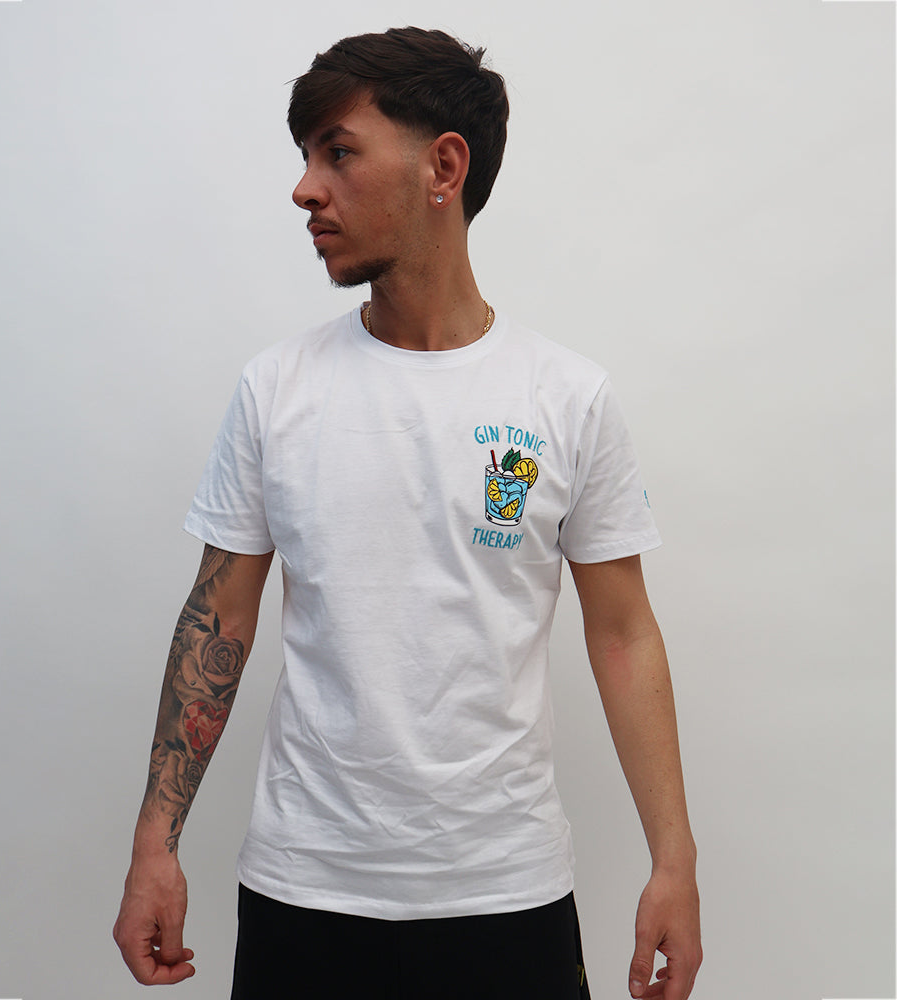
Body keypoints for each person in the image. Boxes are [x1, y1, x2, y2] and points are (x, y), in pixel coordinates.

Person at [113, 26, 701, 1000]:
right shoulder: (277, 390)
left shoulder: (566, 398)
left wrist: (673, 860)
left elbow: (623, 633)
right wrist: (153, 846)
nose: (305, 189)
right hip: (305, 890)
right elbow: (219, 618)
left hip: (506, 893)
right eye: (305, 157)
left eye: (337, 152)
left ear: (443, 168)